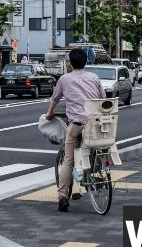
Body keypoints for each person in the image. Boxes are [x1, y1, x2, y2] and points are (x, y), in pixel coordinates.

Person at [45, 48, 105, 213]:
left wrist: (49, 114)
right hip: (96, 124)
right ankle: (94, 173)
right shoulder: (94, 77)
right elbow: (103, 99)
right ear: (86, 62)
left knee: (68, 160)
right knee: (95, 148)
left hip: (77, 124)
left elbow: (55, 99)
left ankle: (63, 197)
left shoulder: (64, 79)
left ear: (70, 63)